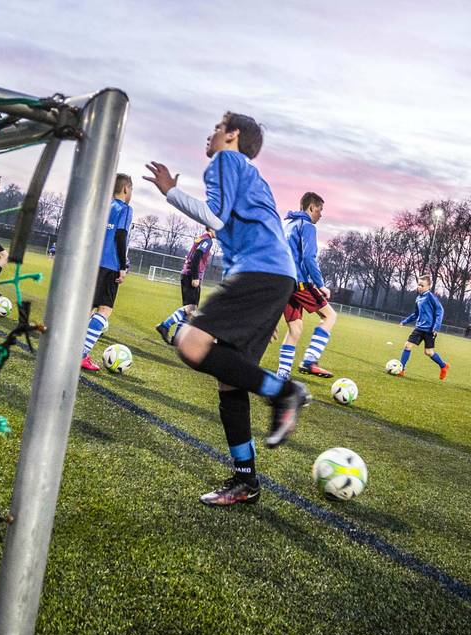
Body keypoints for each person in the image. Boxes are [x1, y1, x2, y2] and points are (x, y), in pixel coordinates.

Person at [143, 111, 309, 507]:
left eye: (218, 128)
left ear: (232, 135)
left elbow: (215, 216)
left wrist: (170, 191)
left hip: (260, 271)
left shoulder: (226, 160)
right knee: (230, 379)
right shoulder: (251, 175)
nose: (212, 134)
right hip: (274, 277)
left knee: (191, 343)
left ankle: (285, 392)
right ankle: (245, 481)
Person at [274, 192, 337, 379]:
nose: (321, 215)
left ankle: (282, 374)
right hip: (298, 282)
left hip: (282, 282)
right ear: (311, 207)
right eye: (320, 210)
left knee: (295, 328)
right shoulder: (307, 226)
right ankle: (310, 360)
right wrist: (320, 284)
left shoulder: (286, 224)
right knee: (330, 316)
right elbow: (309, 257)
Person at [80, 174, 133, 371]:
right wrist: (123, 266)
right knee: (104, 310)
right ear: (126, 189)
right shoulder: (125, 209)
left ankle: (68, 348)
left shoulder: (102, 206)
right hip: (110, 265)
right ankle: (81, 354)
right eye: (131, 189)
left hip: (90, 262)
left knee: (87, 308)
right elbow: (121, 236)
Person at [155, 227, 215, 345]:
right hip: (191, 275)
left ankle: (176, 339)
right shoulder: (207, 240)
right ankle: (165, 325)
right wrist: (195, 276)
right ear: (211, 227)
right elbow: (197, 256)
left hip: (187, 274)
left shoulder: (202, 238)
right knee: (191, 308)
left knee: (189, 310)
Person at [396, 276, 449, 380]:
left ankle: (443, 366)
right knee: (407, 345)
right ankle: (401, 369)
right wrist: (404, 322)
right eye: (418, 285)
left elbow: (440, 311)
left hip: (430, 330)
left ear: (428, 286)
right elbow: (416, 314)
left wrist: (436, 327)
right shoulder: (418, 298)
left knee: (428, 352)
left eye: (422, 285)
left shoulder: (430, 296)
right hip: (419, 328)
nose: (419, 287)